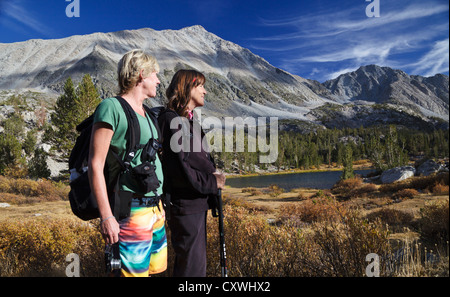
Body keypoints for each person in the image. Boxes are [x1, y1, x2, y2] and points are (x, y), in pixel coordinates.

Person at [88, 49, 167, 277]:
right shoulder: (111, 108)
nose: (158, 81)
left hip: (156, 208)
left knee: (158, 272)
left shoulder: (148, 114)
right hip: (131, 209)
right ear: (141, 74)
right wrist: (106, 216)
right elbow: (95, 164)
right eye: (155, 74)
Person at [158, 69, 226, 277]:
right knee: (191, 270)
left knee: (195, 266)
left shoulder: (187, 121)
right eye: (201, 86)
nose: (205, 91)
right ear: (188, 87)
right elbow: (181, 170)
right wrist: (213, 183)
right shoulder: (173, 121)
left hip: (195, 205)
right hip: (186, 207)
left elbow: (195, 162)